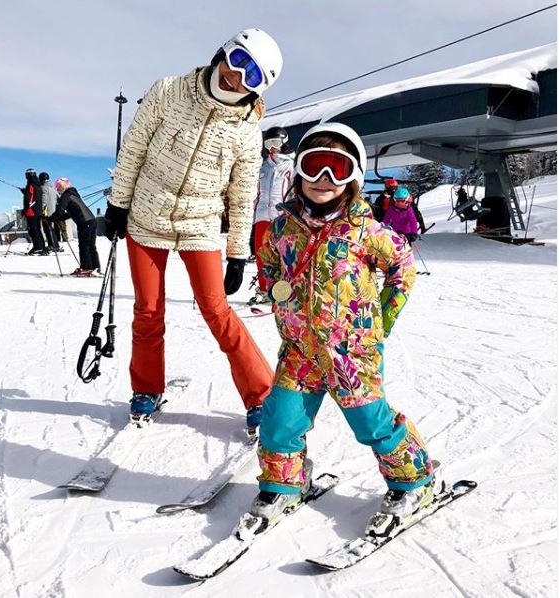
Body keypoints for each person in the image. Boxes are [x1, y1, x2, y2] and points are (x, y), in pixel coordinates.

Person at [252, 122, 436, 523]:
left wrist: (382, 317)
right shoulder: (283, 226)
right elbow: (267, 257)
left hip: (351, 352)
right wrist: (275, 290)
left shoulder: (368, 231)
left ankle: (414, 481)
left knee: (372, 423)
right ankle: (284, 484)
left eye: (336, 169)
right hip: (300, 349)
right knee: (280, 419)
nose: (323, 180)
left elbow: (402, 268)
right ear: (298, 171)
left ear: (352, 176)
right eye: (313, 166)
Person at [105, 28, 282, 426]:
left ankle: (262, 397)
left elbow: (240, 196)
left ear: (258, 89)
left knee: (217, 310)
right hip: (148, 214)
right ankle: (147, 388)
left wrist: (237, 253)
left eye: (251, 77)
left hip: (200, 223)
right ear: (223, 52)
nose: (235, 77)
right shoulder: (169, 91)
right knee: (147, 310)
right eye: (236, 61)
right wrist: (118, 203)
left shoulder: (247, 132)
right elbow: (133, 149)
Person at [249, 126, 295, 305]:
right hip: (261, 215)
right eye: (268, 144)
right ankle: (264, 290)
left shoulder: (291, 165)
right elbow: (255, 192)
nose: (272, 148)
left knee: (283, 256)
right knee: (261, 255)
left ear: (284, 142)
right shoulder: (262, 166)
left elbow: (295, 192)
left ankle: (284, 291)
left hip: (280, 216)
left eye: (276, 143)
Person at [49, 178, 101, 276]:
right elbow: (71, 213)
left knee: (84, 245)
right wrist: (59, 218)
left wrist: (50, 219)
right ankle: (95, 267)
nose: (58, 189)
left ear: (64, 186)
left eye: (59, 187)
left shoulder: (66, 195)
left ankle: (86, 268)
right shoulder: (74, 194)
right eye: (57, 187)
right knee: (91, 246)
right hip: (91, 220)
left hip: (84, 222)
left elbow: (60, 211)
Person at [21, 169, 47, 255]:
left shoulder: (30, 185)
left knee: (32, 230)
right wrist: (25, 192)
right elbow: (34, 196)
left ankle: (37, 247)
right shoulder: (38, 185)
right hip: (38, 211)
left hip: (31, 211)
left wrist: (24, 210)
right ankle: (42, 247)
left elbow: (29, 199)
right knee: (38, 229)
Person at [39, 172, 62, 252]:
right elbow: (58, 198)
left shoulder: (43, 188)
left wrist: (42, 211)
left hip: (47, 212)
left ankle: (52, 245)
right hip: (54, 211)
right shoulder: (53, 188)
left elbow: (43, 201)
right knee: (52, 228)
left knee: (48, 229)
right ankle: (55, 245)